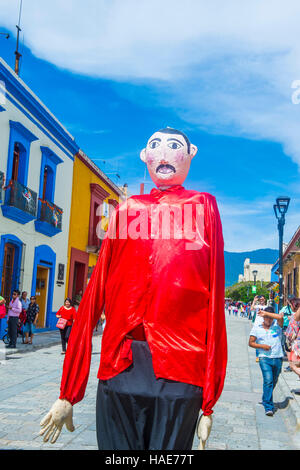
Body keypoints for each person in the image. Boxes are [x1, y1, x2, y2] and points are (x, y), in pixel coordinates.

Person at [40, 127, 227, 450]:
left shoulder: (203, 206)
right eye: (155, 145)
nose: (165, 153)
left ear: (191, 153)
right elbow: (95, 292)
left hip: (181, 373)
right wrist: (68, 393)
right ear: (145, 156)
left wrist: (209, 403)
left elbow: (215, 304)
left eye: (174, 146)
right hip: (121, 367)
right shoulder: (127, 210)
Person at [249, 306, 284, 416]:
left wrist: (266, 313)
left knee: (273, 381)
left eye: (270, 318)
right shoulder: (257, 328)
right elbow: (251, 343)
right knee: (268, 380)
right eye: (266, 318)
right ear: (263, 318)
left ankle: (265, 398)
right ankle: (268, 406)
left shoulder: (277, 326)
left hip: (278, 357)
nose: (269, 320)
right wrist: (262, 346)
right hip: (264, 358)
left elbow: (280, 317)